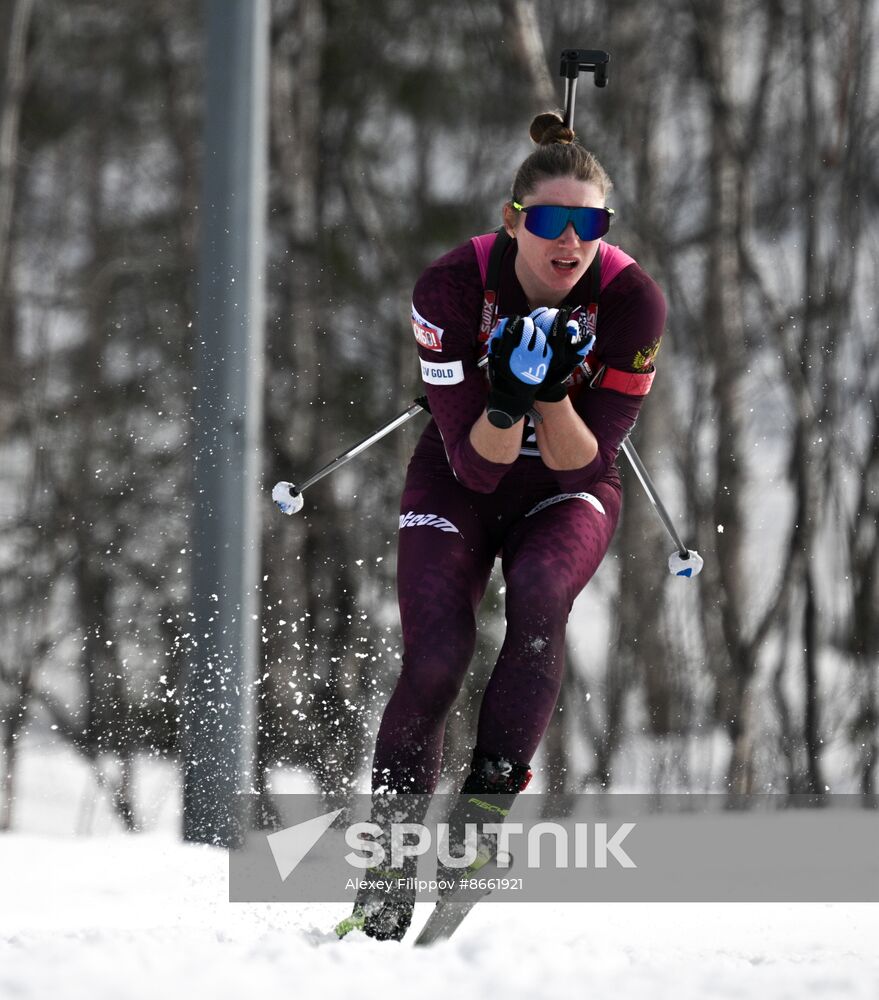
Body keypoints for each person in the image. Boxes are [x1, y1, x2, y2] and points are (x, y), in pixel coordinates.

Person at [338, 111, 666, 941]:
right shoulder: (450, 287)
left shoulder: (631, 302)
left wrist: (550, 392)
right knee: (437, 659)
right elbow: (477, 464)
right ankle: (387, 863)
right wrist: (508, 395)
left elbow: (581, 466)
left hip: (565, 488)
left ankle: (478, 823)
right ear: (513, 219)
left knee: (540, 590)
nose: (568, 241)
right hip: (458, 479)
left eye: (587, 223)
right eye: (549, 221)